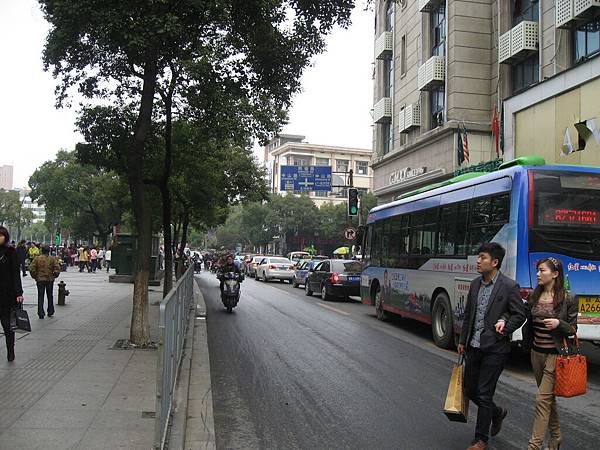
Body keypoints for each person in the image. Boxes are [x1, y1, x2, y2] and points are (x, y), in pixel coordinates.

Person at [457, 242, 526, 450]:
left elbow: (519, 314)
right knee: (470, 390)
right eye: (478, 257)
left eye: (483, 258)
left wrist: (504, 329)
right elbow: (469, 314)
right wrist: (462, 340)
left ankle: (481, 439)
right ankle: (497, 412)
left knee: (484, 393)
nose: (478, 261)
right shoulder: (475, 284)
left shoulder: (509, 286)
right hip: (473, 345)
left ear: (495, 262)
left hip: (495, 349)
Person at [524, 257, 577, 450]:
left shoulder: (568, 298)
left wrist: (558, 323)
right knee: (547, 399)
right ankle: (556, 438)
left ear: (555, 274)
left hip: (556, 355)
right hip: (536, 353)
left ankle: (534, 445)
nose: (538, 274)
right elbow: (525, 319)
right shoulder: (534, 295)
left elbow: (573, 330)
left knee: (542, 399)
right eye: (538, 270)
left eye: (542, 271)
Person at [0, 227, 24, 362]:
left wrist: (19, 293)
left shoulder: (11, 252)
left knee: (7, 324)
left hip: (7, 294)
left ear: (6, 237)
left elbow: (16, 274)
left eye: (1, 235)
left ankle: (10, 350)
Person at [29, 245, 61, 319]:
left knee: (40, 296)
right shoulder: (52, 259)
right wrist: (54, 275)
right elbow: (57, 268)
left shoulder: (37, 258)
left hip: (40, 279)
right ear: (49, 251)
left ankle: (40, 313)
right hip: (49, 279)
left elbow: (32, 268)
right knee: (50, 295)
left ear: (42, 250)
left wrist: (35, 276)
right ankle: (50, 311)